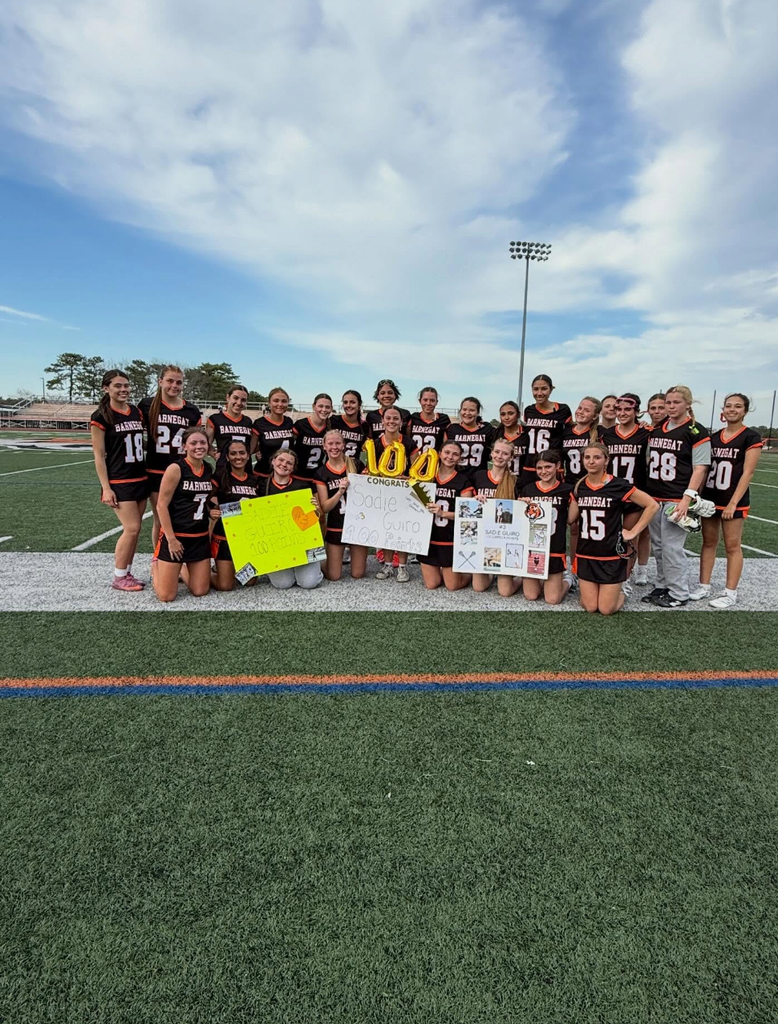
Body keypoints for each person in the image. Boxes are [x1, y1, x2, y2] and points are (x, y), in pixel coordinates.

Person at [643, 385, 711, 607]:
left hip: (676, 497)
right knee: (659, 546)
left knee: (672, 548)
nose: (671, 407)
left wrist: (687, 499)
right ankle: (663, 585)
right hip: (655, 495)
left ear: (688, 404)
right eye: (668, 403)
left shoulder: (696, 431)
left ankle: (679, 593)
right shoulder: (658, 428)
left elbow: (700, 468)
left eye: (676, 403)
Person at [695, 393, 763, 608]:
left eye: (737, 406)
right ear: (722, 410)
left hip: (733, 498)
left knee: (732, 545)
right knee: (708, 542)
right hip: (710, 497)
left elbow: (748, 473)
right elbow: (704, 468)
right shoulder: (714, 437)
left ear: (745, 410)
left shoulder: (750, 437)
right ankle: (703, 586)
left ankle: (730, 592)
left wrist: (733, 502)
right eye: (728, 406)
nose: (732, 409)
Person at [574, 442, 658, 615]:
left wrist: (634, 531)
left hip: (610, 555)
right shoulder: (579, 487)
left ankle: (622, 591)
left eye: (597, 457)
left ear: (606, 460)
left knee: (606, 609)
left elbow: (652, 505)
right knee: (590, 607)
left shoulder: (618, 485)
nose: (591, 461)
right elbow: (569, 519)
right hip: (586, 554)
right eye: (587, 457)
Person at [90, 370, 149, 591]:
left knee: (137, 528)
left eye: (126, 385)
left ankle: (127, 572)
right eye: (117, 386)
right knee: (131, 528)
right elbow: (98, 455)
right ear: (106, 388)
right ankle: (118, 576)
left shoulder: (135, 411)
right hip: (120, 480)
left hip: (140, 476)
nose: (123, 389)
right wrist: (106, 488)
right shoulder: (100, 416)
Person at [138, 365, 201, 549]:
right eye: (170, 381)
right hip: (157, 470)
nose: (174, 385)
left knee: (182, 516)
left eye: (179, 382)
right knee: (161, 519)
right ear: (160, 382)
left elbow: (195, 441)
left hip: (183, 471)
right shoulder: (147, 405)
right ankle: (158, 560)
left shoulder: (191, 411)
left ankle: (179, 561)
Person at [153, 427, 215, 603]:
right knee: (166, 596)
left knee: (200, 590)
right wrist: (171, 539)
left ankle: (181, 569)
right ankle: (156, 567)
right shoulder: (176, 468)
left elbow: (203, 500)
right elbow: (161, 505)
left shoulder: (208, 469)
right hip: (177, 536)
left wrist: (212, 511)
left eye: (203, 442)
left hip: (199, 537)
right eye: (193, 443)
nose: (199, 446)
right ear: (184, 446)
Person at [601, 394, 651, 587]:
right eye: (618, 410)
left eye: (627, 410)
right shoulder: (608, 435)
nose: (622, 413)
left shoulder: (646, 433)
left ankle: (627, 577)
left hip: (634, 493)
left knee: (630, 537)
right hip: (613, 493)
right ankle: (609, 570)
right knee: (609, 535)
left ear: (636, 412)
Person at [521, 450, 578, 605]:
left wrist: (576, 500)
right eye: (540, 468)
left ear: (558, 466)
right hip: (533, 547)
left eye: (548, 467)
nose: (543, 471)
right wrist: (522, 505)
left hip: (554, 547)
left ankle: (568, 579)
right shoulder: (528, 489)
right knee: (531, 595)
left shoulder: (567, 490)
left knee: (552, 599)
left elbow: (571, 519)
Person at [261, 448, 324, 590]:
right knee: (282, 584)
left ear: (293, 468)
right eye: (281, 460)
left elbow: (317, 518)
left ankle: (315, 567)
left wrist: (316, 510)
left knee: (309, 583)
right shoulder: (261, 486)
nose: (284, 464)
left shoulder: (302, 487)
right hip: (276, 545)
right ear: (273, 461)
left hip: (301, 544)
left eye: (289, 463)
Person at [419, 440, 474, 591]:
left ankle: (470, 574)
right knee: (432, 584)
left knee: (452, 586)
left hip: (450, 539)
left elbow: (467, 515)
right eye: (447, 452)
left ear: (460, 458)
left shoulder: (463, 481)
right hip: (428, 539)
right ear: (439, 454)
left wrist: (443, 513)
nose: (450, 457)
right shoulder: (425, 476)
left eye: (455, 454)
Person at [373, 406, 420, 582]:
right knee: (386, 527)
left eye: (395, 418)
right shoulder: (375, 443)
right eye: (388, 418)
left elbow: (417, 469)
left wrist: (408, 477)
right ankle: (387, 564)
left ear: (401, 422)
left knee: (402, 528)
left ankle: (402, 566)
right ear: (382, 421)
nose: (391, 421)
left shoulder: (408, 443)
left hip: (403, 491)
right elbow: (370, 469)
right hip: (383, 493)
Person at [470, 438, 521, 597]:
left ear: (511, 458)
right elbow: (468, 506)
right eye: (497, 452)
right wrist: (474, 500)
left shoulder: (515, 480)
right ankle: (492, 573)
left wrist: (523, 503)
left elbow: (518, 513)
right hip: (483, 536)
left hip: (504, 536)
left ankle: (521, 578)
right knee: (478, 587)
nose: (500, 456)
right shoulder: (478, 476)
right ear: (491, 453)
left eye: (505, 453)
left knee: (505, 592)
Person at [315, 430, 368, 581]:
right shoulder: (321, 473)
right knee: (334, 576)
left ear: (343, 445)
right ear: (324, 446)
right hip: (336, 525)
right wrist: (339, 492)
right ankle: (321, 563)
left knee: (358, 574)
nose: (334, 447)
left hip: (357, 524)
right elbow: (324, 507)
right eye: (330, 443)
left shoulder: (356, 464)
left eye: (338, 443)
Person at [210, 439, 259, 591]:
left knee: (249, 581)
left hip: (246, 538)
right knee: (225, 586)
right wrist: (211, 510)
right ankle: (208, 573)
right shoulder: (220, 477)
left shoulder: (255, 480)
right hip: (225, 537)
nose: (238, 457)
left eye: (242, 453)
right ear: (227, 457)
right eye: (233, 453)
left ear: (248, 455)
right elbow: (204, 498)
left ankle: (227, 568)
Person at [521, 375, 572, 485]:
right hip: (531, 465)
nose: (539, 393)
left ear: (551, 389)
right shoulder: (529, 411)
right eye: (536, 389)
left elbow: (571, 432)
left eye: (544, 388)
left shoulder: (563, 410)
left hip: (552, 466)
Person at [253, 386, 295, 479]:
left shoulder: (289, 422)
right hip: (264, 474)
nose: (280, 404)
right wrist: (259, 451)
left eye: (284, 401)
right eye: (276, 401)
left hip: (284, 475)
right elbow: (251, 448)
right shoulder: (260, 423)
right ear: (269, 402)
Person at [445, 397, 495, 475]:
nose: (467, 413)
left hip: (479, 477)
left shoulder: (486, 429)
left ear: (478, 412)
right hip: (457, 477)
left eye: (472, 410)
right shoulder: (452, 429)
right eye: (464, 409)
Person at [206, 385, 257, 457]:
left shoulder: (248, 421)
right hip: (224, 466)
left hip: (244, 466)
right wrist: (215, 454)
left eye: (243, 400)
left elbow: (252, 446)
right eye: (235, 398)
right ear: (228, 398)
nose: (239, 403)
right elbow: (206, 443)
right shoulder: (215, 419)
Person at [293, 393, 332, 487]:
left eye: (327, 407)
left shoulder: (330, 428)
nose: (324, 410)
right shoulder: (301, 425)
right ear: (314, 406)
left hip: (318, 477)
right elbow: (287, 446)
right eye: (320, 406)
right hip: (297, 476)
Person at [562, 397, 602, 486]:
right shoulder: (565, 432)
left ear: (595, 416)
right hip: (569, 483)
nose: (581, 412)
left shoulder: (599, 433)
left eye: (587, 410)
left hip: (591, 484)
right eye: (580, 408)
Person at [407, 387, 452, 453]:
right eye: (425, 400)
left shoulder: (443, 420)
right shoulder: (413, 418)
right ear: (420, 401)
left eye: (432, 400)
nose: (428, 403)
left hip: (434, 461)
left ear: (436, 402)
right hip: (415, 461)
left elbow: (446, 444)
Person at [330, 390, 368, 462]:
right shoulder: (333, 421)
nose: (348, 405)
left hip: (353, 468)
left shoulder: (364, 426)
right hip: (334, 466)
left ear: (359, 404)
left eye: (352, 402)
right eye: (345, 402)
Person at [494, 401, 526, 477]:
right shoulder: (496, 434)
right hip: (501, 481)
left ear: (518, 414)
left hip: (521, 480)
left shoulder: (527, 433)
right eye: (503, 414)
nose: (506, 417)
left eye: (511, 413)